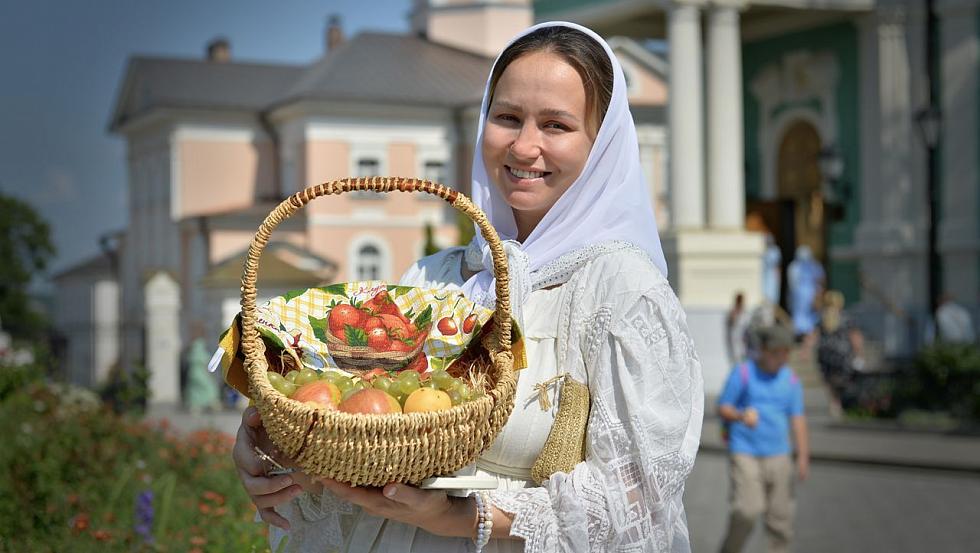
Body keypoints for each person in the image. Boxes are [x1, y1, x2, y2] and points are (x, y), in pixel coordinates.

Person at [231, 21, 704, 553]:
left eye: (556, 125)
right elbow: (357, 412)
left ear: (602, 147)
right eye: (507, 118)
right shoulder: (434, 277)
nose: (525, 146)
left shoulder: (622, 292)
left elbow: (640, 496)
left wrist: (462, 517)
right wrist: (271, 447)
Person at [717, 325, 809, 553]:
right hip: (745, 452)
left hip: (779, 455)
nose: (784, 357)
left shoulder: (791, 380)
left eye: (787, 352)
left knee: (781, 521)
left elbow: (798, 419)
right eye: (779, 352)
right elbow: (723, 407)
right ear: (765, 351)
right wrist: (740, 415)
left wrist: (803, 456)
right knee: (746, 511)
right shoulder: (744, 372)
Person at [815, 290, 866, 416]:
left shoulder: (822, 317)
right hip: (842, 354)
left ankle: (834, 401)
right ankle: (841, 400)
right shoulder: (846, 317)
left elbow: (814, 335)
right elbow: (855, 336)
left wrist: (805, 349)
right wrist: (859, 353)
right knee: (843, 379)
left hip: (825, 354)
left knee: (829, 380)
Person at [786, 245, 824, 339]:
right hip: (805, 293)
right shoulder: (805, 266)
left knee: (804, 313)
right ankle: (804, 332)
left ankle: (804, 332)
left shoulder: (796, 266)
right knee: (801, 313)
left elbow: (792, 283)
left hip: (802, 293)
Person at [725, 292, 750, 366]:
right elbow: (731, 326)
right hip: (735, 340)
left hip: (743, 341)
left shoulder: (745, 312)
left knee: (744, 360)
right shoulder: (733, 312)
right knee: (736, 360)